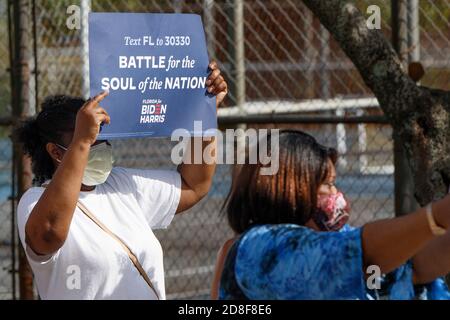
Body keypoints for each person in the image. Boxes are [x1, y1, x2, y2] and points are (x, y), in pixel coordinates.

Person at [14, 61, 227, 300]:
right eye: (88, 137)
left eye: (99, 135)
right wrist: (82, 142)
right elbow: (48, 234)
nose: (98, 145)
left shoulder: (121, 185)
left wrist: (205, 114)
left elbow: (194, 185)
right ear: (56, 152)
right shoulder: (35, 201)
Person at [211, 129, 450, 300]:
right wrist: (436, 216)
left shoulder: (333, 238)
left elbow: (415, 267)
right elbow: (360, 256)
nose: (337, 194)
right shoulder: (258, 248)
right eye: (327, 184)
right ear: (290, 188)